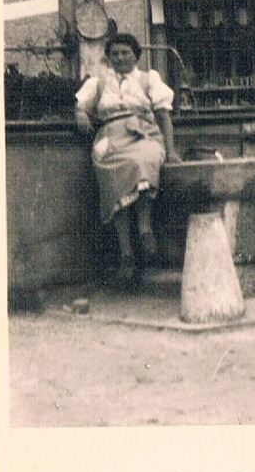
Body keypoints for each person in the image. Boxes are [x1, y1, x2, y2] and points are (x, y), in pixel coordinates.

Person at [75, 32, 183, 288]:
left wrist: (171, 149)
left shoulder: (149, 79)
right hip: (110, 138)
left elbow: (164, 116)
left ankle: (145, 228)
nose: (120, 57)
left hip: (144, 134)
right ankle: (126, 253)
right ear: (108, 58)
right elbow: (81, 105)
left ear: (136, 55)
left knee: (143, 161)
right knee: (112, 175)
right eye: (115, 53)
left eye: (125, 53)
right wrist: (80, 114)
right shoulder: (98, 82)